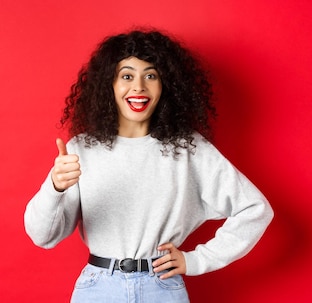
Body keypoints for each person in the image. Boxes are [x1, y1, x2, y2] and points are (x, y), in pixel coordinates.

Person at [24, 29, 274, 302]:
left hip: (162, 288)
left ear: (165, 85)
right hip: (98, 288)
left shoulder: (188, 148)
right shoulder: (81, 149)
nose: (139, 87)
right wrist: (55, 187)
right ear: (109, 84)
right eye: (127, 76)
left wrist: (197, 260)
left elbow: (255, 209)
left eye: (151, 75)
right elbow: (42, 236)